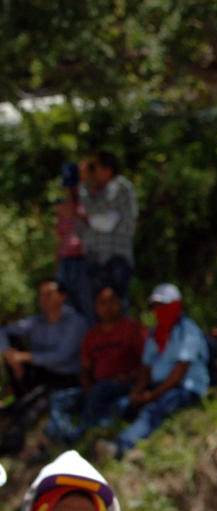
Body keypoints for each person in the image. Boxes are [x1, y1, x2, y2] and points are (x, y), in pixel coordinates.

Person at [96, 283, 210, 460]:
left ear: (176, 305)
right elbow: (146, 367)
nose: (159, 310)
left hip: (185, 390)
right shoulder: (155, 334)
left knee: (153, 411)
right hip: (158, 387)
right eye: (156, 306)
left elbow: (179, 372)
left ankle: (119, 447)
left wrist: (153, 395)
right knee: (123, 405)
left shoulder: (188, 331)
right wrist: (139, 391)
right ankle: (85, 435)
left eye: (163, 305)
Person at [46, 285, 147, 445]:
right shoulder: (92, 335)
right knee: (59, 399)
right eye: (102, 302)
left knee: (104, 396)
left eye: (111, 301)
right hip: (95, 388)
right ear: (95, 307)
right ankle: (58, 435)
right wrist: (87, 388)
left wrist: (131, 379)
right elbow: (85, 369)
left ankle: (79, 435)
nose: (107, 307)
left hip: (124, 386)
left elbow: (148, 364)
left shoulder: (133, 330)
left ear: (120, 303)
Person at [0, 280, 88, 454]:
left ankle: (13, 441)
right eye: (41, 294)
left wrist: (24, 357)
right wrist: (9, 355)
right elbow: (3, 331)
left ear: (62, 296)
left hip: (67, 379)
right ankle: (18, 402)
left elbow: (61, 357)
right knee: (13, 342)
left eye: (49, 294)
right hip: (42, 375)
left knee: (33, 406)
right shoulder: (36, 321)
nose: (44, 299)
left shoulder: (75, 322)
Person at [78, 151, 138, 320]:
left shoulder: (121, 187)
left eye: (94, 167)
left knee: (119, 310)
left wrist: (82, 185)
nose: (91, 172)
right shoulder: (95, 193)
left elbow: (94, 210)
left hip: (116, 259)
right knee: (96, 314)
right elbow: (81, 229)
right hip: (95, 259)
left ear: (108, 169)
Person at [54, 163, 90, 319]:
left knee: (87, 306)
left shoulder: (89, 204)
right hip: (65, 263)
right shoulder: (62, 208)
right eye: (68, 186)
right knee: (68, 310)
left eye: (74, 185)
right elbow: (59, 239)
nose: (71, 190)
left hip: (84, 262)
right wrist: (57, 268)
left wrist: (77, 214)